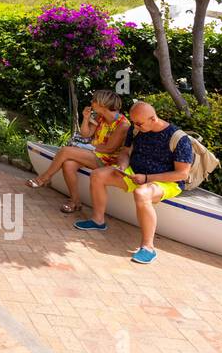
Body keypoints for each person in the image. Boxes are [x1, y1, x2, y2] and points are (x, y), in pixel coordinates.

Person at [74, 102, 193, 264]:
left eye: (139, 123)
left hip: (165, 180)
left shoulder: (179, 138)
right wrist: (122, 165)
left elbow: (182, 174)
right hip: (135, 172)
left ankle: (148, 247)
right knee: (98, 175)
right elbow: (125, 152)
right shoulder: (136, 128)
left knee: (141, 193)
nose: (135, 126)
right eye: (134, 122)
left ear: (153, 118)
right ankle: (97, 220)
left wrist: (146, 179)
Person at [27, 89, 130, 214]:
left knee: (65, 151)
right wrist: (86, 118)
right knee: (68, 164)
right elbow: (86, 134)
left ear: (102, 104)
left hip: (108, 160)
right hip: (94, 154)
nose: (91, 102)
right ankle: (75, 201)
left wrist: (85, 147)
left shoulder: (122, 125)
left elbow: (109, 148)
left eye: (94, 100)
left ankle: (44, 178)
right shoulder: (100, 117)